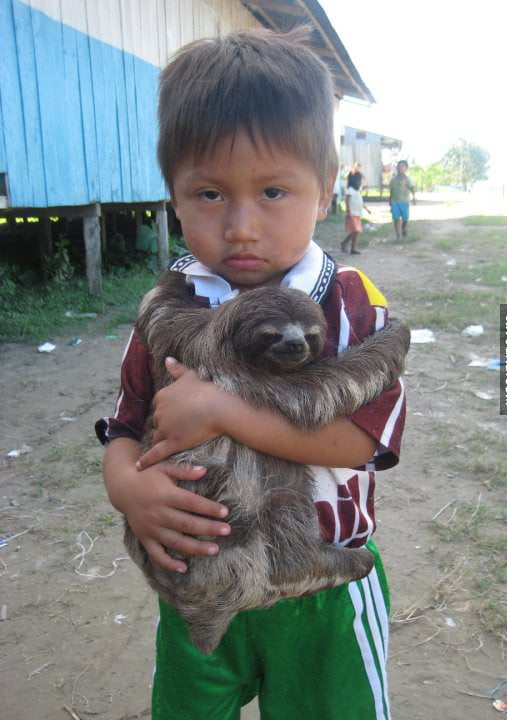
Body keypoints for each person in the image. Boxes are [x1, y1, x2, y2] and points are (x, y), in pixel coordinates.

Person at [96, 27, 405, 720]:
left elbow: (368, 439)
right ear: (173, 195)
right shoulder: (171, 303)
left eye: (272, 191)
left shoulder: (350, 298)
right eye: (208, 194)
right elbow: (123, 423)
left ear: (325, 191)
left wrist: (224, 413)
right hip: (196, 583)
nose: (240, 226)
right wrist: (126, 487)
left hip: (321, 589)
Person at [341, 173, 372, 254]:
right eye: (360, 180)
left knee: (355, 232)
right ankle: (347, 245)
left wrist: (367, 209)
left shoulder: (358, 191)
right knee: (356, 230)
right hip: (352, 214)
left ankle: (351, 247)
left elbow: (361, 202)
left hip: (357, 214)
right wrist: (348, 211)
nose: (361, 182)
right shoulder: (350, 190)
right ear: (355, 181)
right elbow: (347, 200)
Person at [388, 160, 416, 240]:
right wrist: (390, 200)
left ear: (406, 168)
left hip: (404, 201)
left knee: (405, 218)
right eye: (399, 166)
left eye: (403, 166)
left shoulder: (408, 179)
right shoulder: (393, 179)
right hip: (395, 201)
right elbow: (391, 190)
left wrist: (414, 198)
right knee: (396, 218)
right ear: (397, 168)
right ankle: (398, 236)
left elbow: (412, 188)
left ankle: (403, 228)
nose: (400, 168)